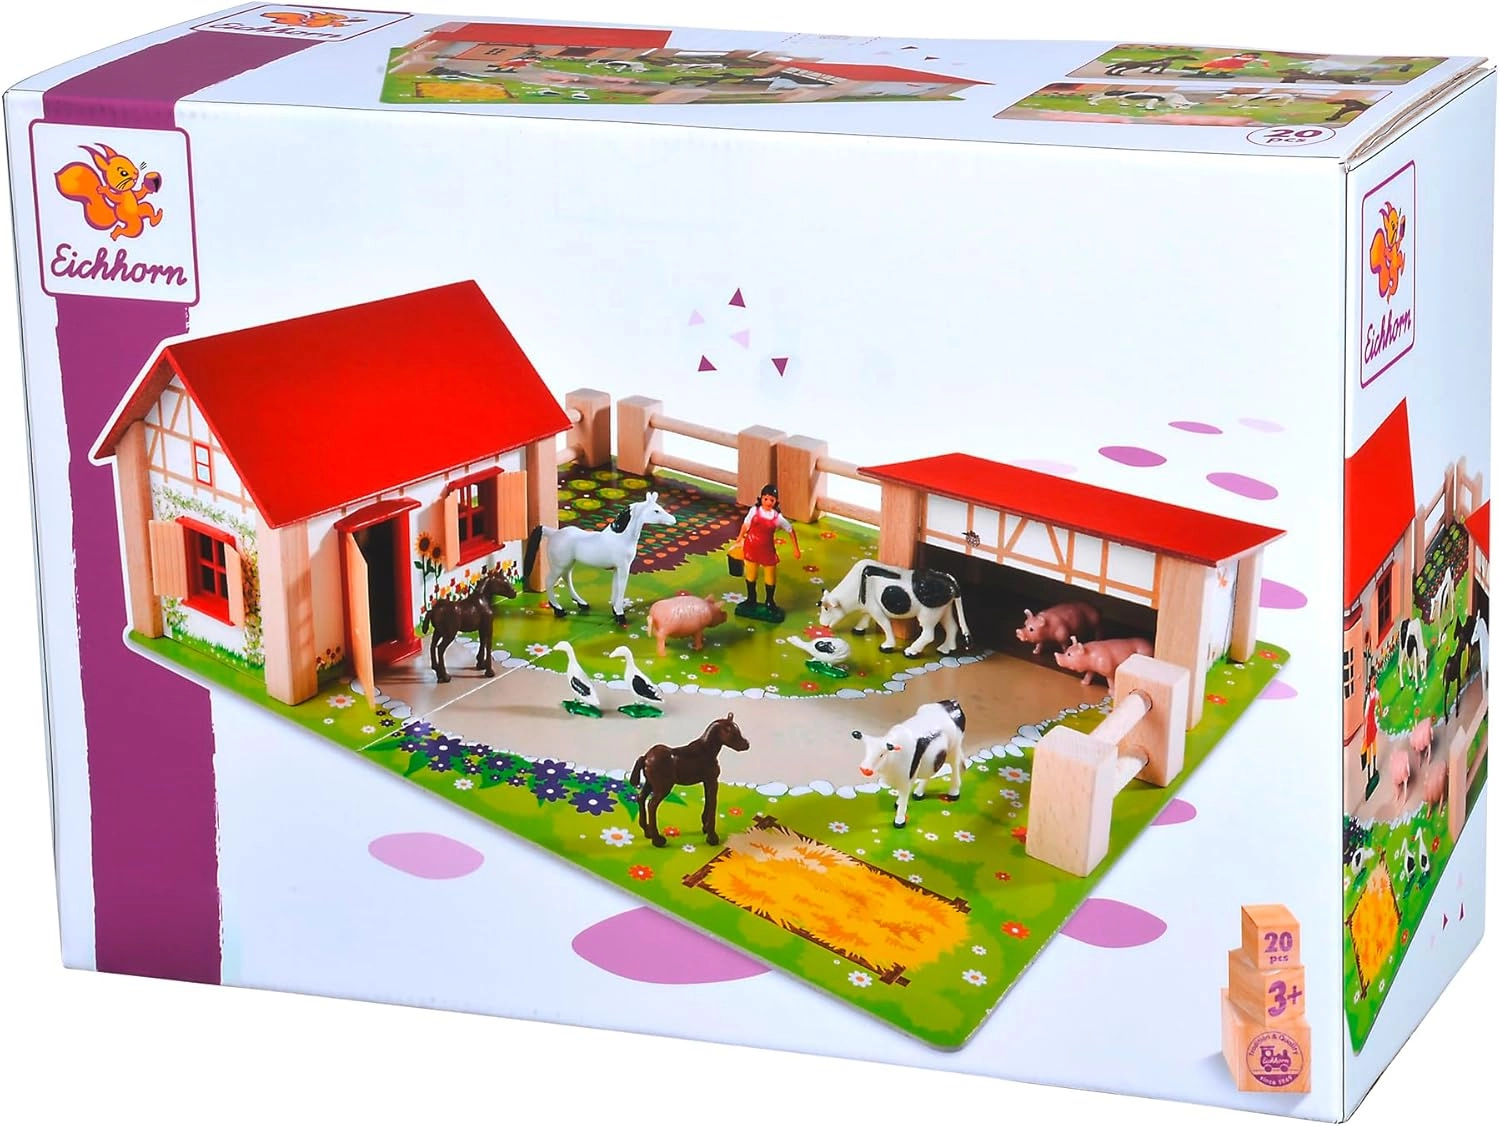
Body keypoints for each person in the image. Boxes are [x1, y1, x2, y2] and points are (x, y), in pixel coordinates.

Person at [734, 483, 800, 615]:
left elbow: (790, 530)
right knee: (751, 574)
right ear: (761, 498)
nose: (768, 502)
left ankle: (770, 601)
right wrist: (740, 537)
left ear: (776, 501)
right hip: (751, 546)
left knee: (770, 575)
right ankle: (751, 598)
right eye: (766, 499)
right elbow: (746, 524)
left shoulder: (777, 517)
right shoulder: (754, 511)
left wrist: (796, 549)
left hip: (767, 550)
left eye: (772, 500)